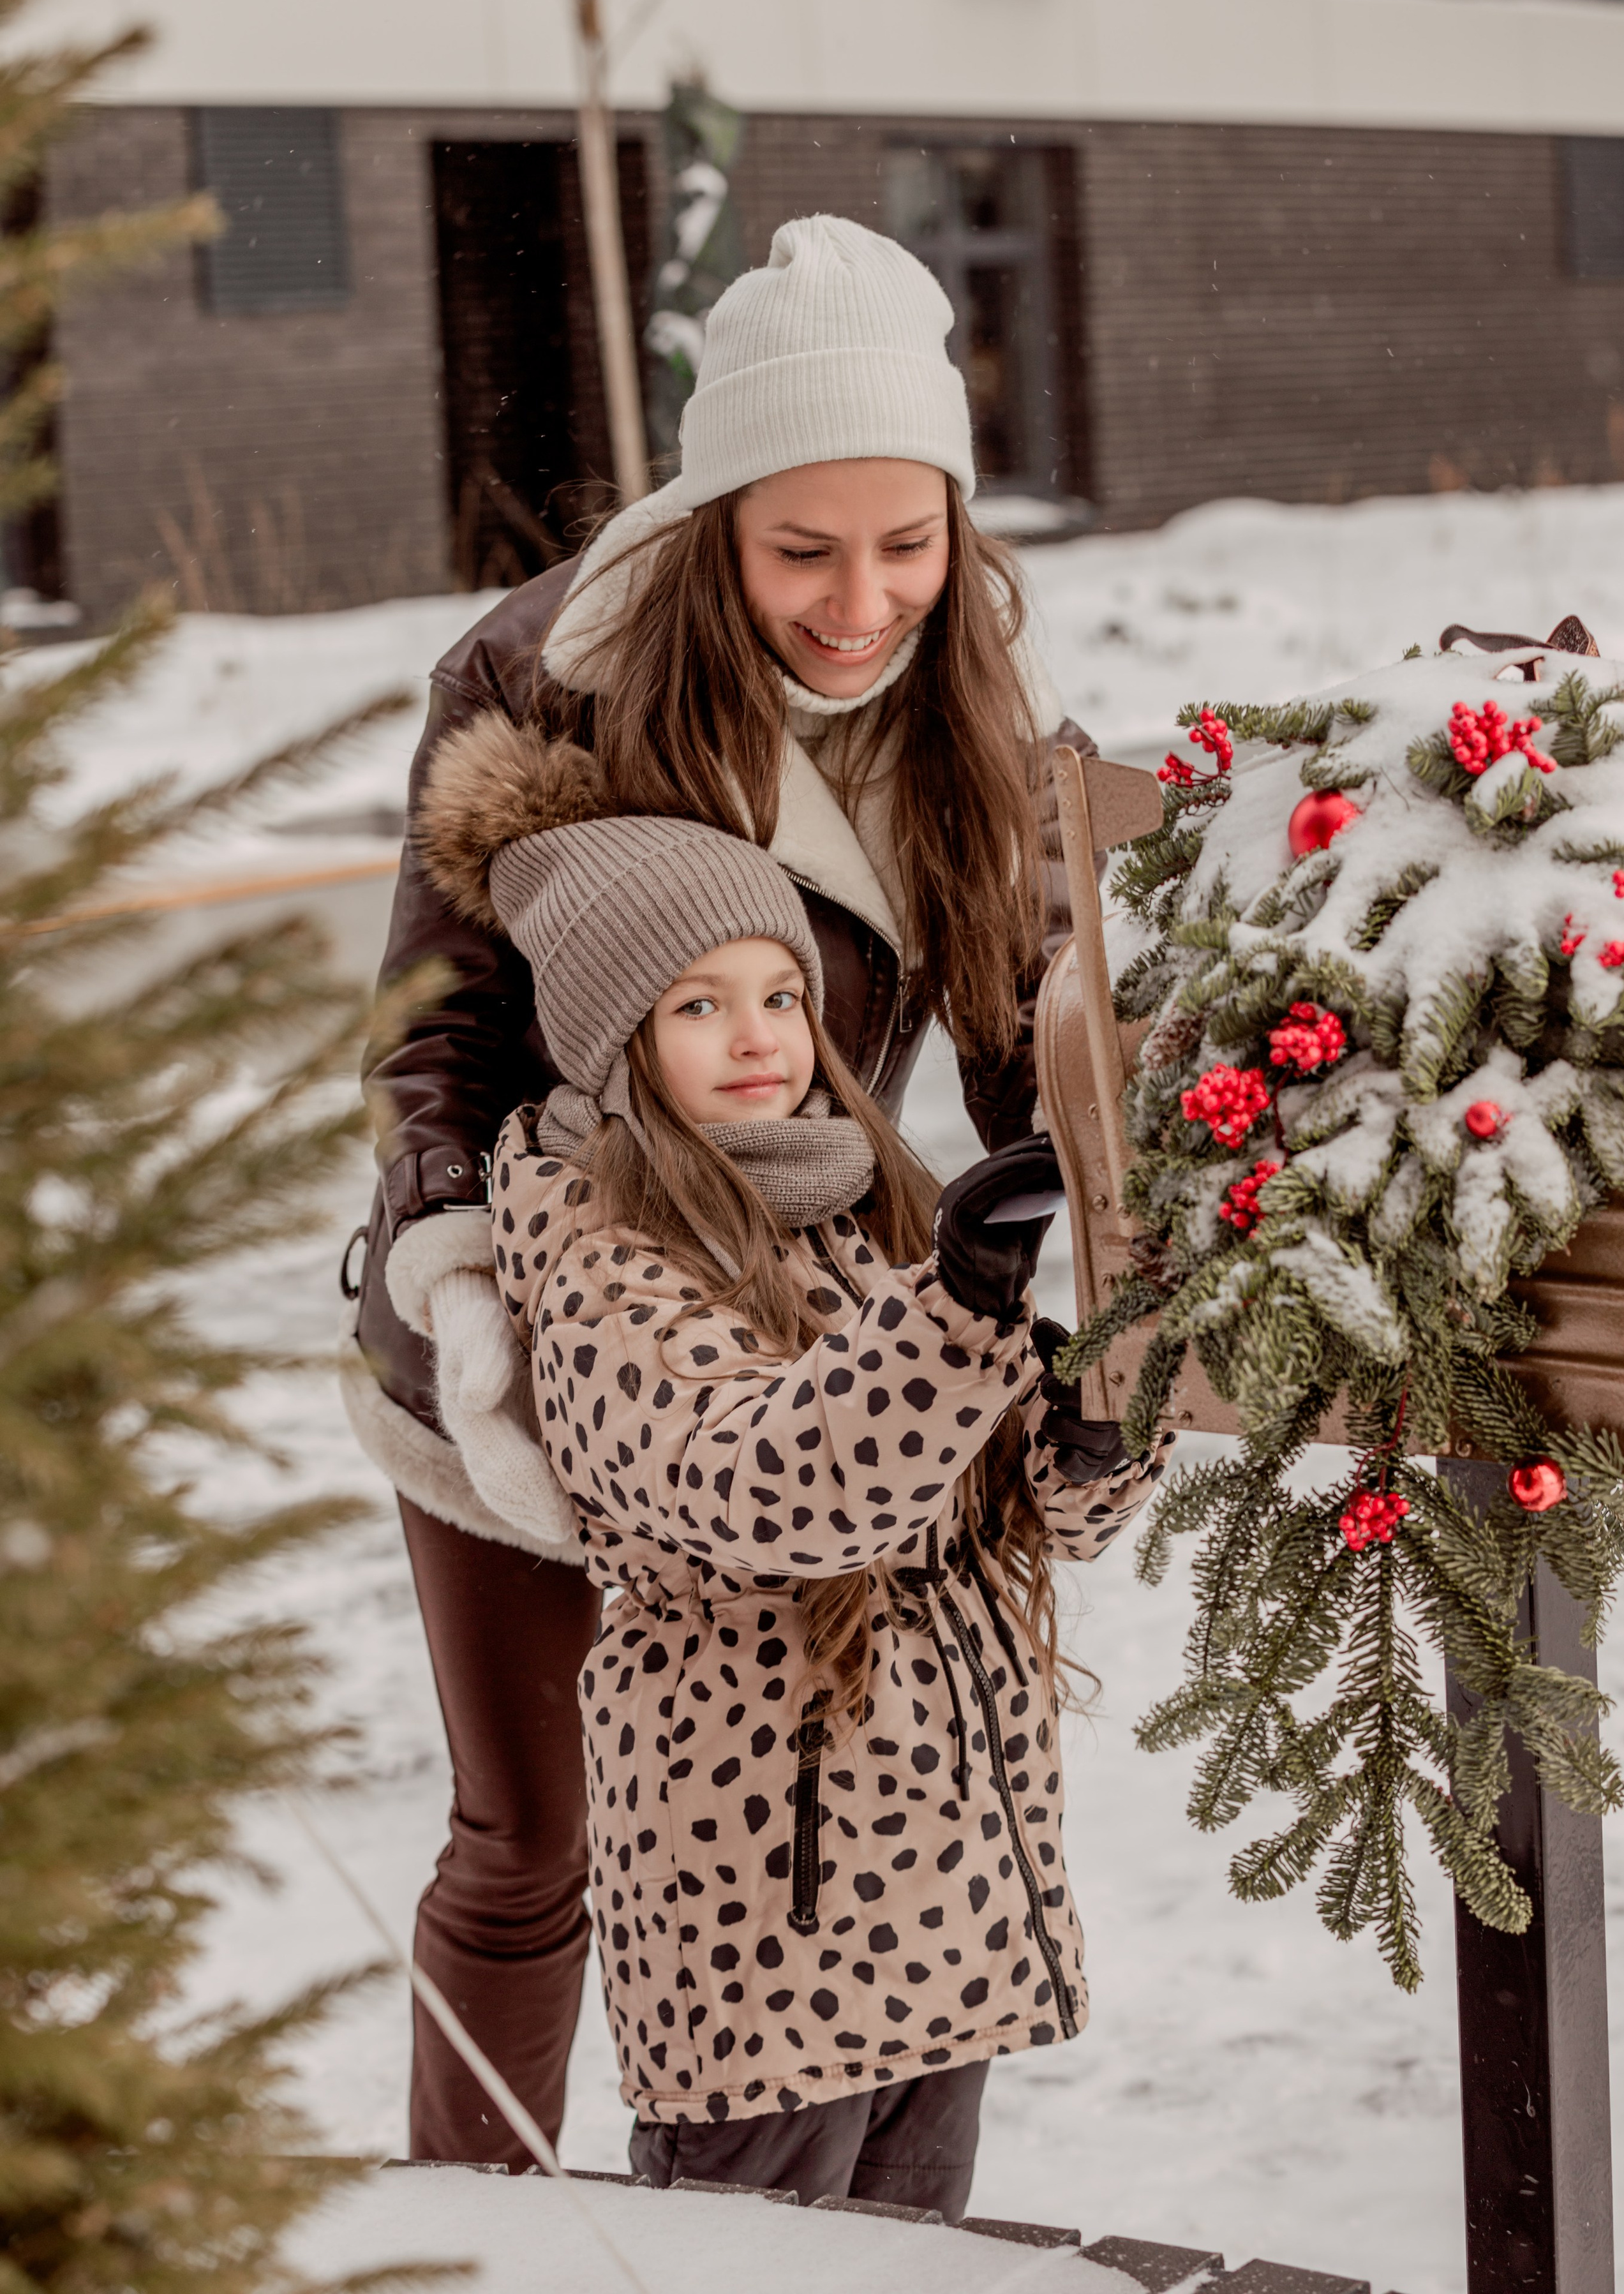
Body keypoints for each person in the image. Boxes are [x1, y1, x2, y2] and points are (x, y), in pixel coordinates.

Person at [341, 213, 1101, 2167]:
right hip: (543, 1292)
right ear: (715, 522)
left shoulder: (963, 705)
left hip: (807, 1326)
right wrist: (469, 1298)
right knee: (536, 1829)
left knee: (793, 1818)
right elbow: (437, 1037)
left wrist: (1093, 1246)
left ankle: (819, 2191)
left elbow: (1028, 1030)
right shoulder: (545, 674)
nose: (864, 601)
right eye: (804, 550)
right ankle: (477, 2231)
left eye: (909, 543)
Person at [396, 720, 1161, 2212]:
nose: (757, 1038)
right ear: (613, 1035)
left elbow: (995, 1506)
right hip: (767, 1933)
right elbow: (772, 1489)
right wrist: (958, 1305)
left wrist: (1085, 1438)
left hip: (944, 1901)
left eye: (779, 996)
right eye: (698, 1005)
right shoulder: (601, 1258)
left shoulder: (853, 1194)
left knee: (913, 2261)